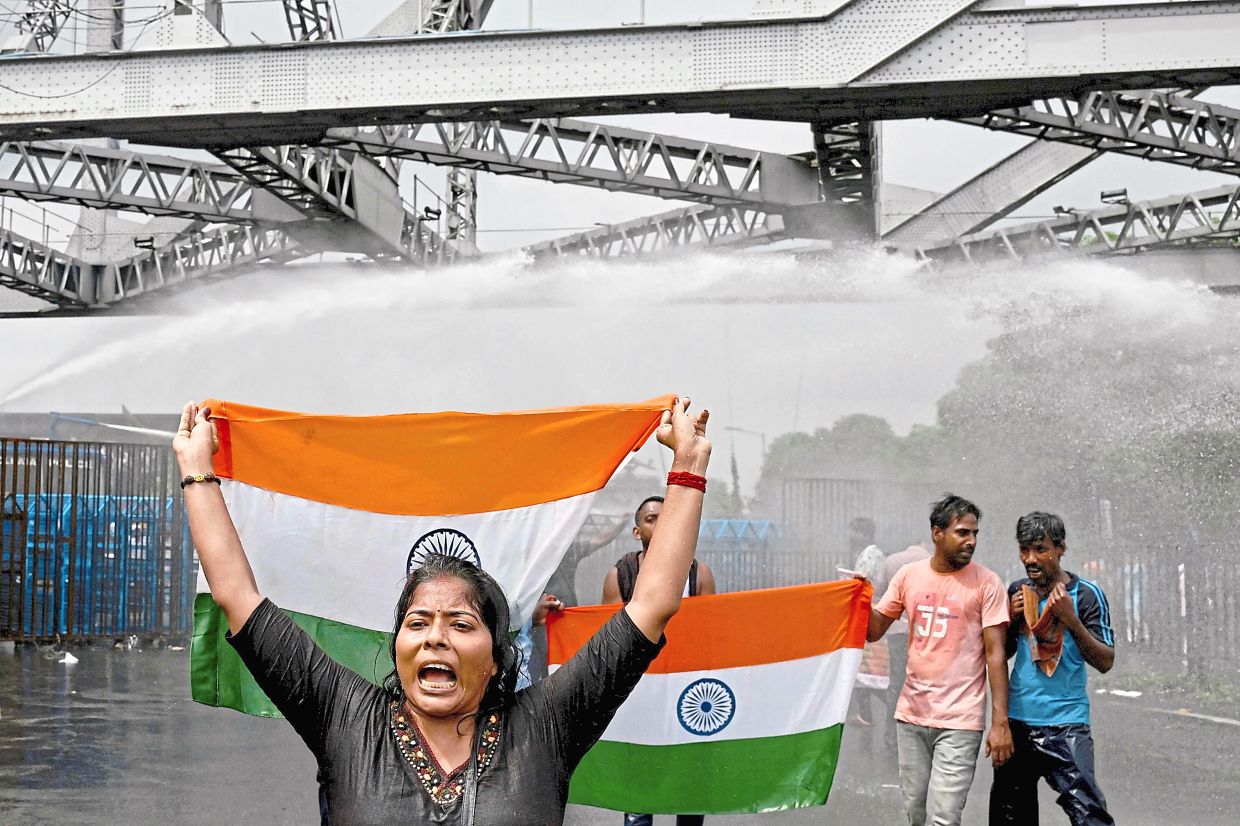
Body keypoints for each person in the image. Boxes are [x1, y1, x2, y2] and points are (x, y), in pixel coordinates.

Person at [173, 396, 711, 825]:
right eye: (418, 622)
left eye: (461, 623)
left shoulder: (546, 726)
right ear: (397, 646)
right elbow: (238, 596)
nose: (435, 638)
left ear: (497, 657)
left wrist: (687, 468)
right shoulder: (347, 719)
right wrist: (197, 471)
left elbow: (652, 605)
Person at [865, 494, 1012, 826]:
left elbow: (996, 654)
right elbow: (874, 630)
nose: (971, 541)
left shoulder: (986, 583)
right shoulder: (908, 576)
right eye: (962, 532)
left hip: (961, 720)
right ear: (937, 533)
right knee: (916, 812)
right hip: (911, 716)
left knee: (944, 816)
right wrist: (857, 598)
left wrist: (1000, 723)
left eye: (974, 533)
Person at [989, 512, 1115, 826]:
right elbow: (1000, 655)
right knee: (1010, 816)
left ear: (1060, 549)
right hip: (1018, 723)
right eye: (1024, 550)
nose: (1030, 559)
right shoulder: (1019, 591)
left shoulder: (1085, 595)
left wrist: (1071, 620)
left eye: (1040, 549)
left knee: (1088, 814)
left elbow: (1105, 661)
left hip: (1066, 724)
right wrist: (1013, 620)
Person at [602, 495, 717, 826]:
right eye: (652, 518)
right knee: (640, 784)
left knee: (691, 784)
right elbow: (607, 641)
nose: (661, 523)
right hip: (640, 692)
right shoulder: (621, 575)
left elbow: (712, 635)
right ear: (637, 531)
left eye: (667, 517)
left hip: (688, 693)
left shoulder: (698, 574)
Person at [881, 543, 933, 756]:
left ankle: (892, 739)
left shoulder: (891, 560)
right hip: (924, 632)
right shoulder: (930, 561)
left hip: (897, 630)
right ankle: (921, 734)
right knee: (923, 682)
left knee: (896, 684)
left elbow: (882, 591)